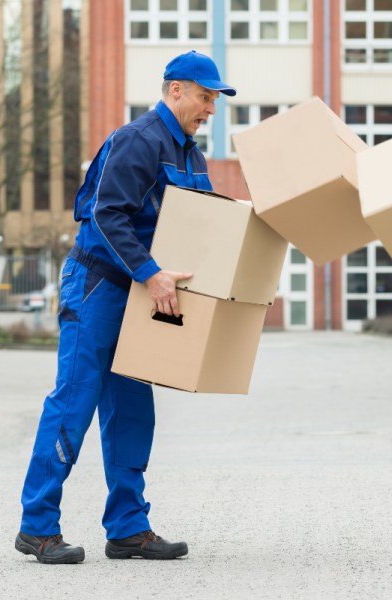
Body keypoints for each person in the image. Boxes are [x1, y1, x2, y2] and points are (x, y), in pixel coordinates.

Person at [14, 50, 236, 565]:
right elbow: (104, 215)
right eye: (206, 97)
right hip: (98, 285)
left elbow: (198, 230)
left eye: (215, 101)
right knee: (74, 402)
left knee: (133, 411)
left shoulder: (192, 157)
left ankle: (128, 528)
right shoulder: (138, 141)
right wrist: (151, 273)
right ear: (175, 90)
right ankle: (37, 526)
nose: (210, 109)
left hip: (142, 293)